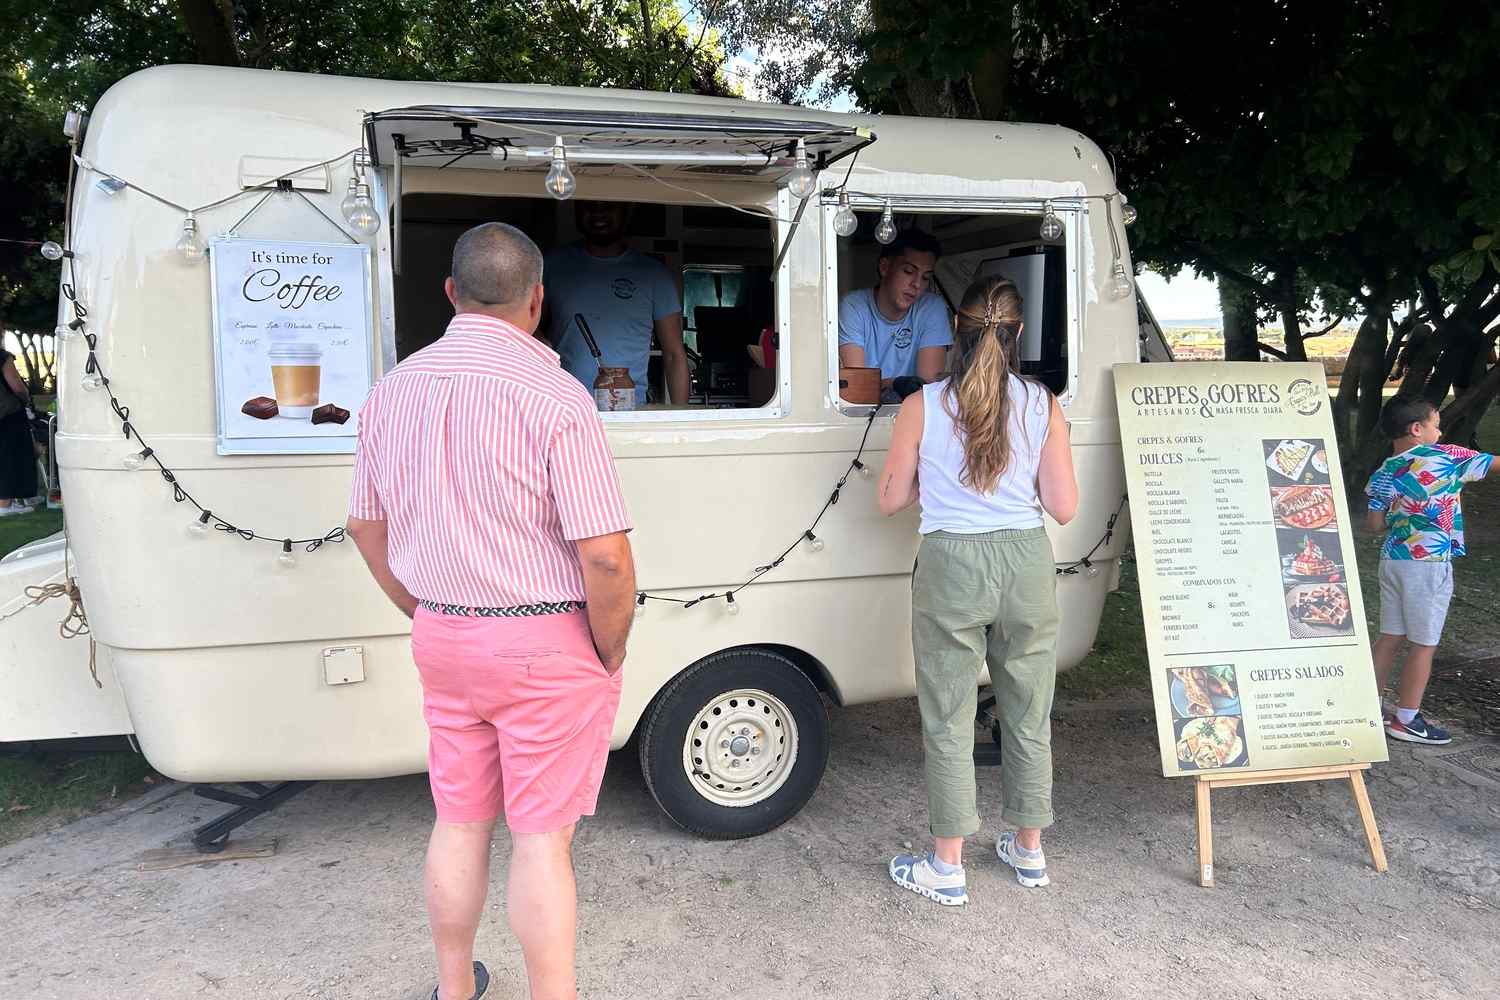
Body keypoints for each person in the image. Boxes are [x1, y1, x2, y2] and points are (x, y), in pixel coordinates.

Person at [347, 222, 637, 1000]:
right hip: (545, 640)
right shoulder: (556, 395)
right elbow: (605, 554)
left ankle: (452, 986)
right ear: (538, 301)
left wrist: (424, 606)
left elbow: (364, 525)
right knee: (541, 841)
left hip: (444, 635)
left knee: (460, 820)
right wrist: (608, 648)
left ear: (450, 293)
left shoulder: (391, 390)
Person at [877, 275, 1077, 905]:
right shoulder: (1044, 404)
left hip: (950, 566)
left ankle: (947, 865)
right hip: (1025, 563)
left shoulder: (922, 405)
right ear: (1017, 334)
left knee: (948, 715)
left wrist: (930, 484)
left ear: (954, 331)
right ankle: (1029, 851)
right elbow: (1064, 507)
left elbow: (889, 500)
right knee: (1028, 709)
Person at [1365, 395, 1492, 746]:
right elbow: (1495, 464)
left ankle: (1367, 710)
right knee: (1423, 644)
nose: (1440, 431)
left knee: (1390, 636)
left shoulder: (1385, 469)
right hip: (1428, 564)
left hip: (1393, 560)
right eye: (1436, 424)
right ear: (1417, 429)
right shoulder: (1446, 457)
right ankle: (1405, 720)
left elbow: (1374, 524)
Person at [543, 201, 689, 406]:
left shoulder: (654, 274)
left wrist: (682, 418)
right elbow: (526, 327)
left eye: (608, 208)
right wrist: (541, 343)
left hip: (627, 407)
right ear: (576, 211)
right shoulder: (553, 265)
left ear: (626, 212)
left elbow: (674, 354)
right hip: (565, 405)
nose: (598, 214)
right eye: (589, 207)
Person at [837, 229, 952, 397]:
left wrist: (892, 385)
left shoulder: (932, 307)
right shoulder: (854, 306)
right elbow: (858, 387)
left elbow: (928, 391)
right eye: (908, 272)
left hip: (914, 414)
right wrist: (897, 385)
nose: (917, 284)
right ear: (885, 267)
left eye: (926, 277)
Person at [0, 348, 38, 516]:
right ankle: (5, 503)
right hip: (7, 413)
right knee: (11, 455)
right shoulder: (2, 356)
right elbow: (16, 386)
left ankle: (12, 499)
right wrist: (25, 398)